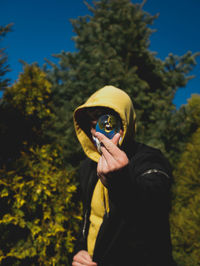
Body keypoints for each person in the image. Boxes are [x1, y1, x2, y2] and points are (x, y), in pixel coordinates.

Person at [72, 85, 176, 266]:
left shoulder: (149, 158)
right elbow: (88, 218)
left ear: (124, 122)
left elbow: (156, 201)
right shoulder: (87, 167)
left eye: (107, 121)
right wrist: (80, 250)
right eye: (91, 124)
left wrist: (121, 181)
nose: (98, 132)